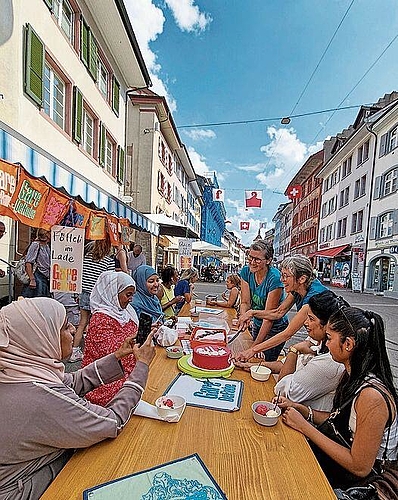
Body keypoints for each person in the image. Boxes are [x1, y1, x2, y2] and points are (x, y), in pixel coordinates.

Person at [0, 297, 155, 499]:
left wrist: (118, 355)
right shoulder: (41, 397)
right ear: (39, 337)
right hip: (22, 489)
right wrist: (141, 366)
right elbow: (112, 421)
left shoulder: (18, 371)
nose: (74, 330)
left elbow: (71, 382)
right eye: (64, 327)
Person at [281, 307, 398, 491]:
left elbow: (360, 466)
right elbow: (339, 419)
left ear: (348, 344)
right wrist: (304, 411)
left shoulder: (371, 396)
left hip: (365, 485)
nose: (325, 345)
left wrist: (304, 426)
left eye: (329, 338)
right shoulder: (351, 375)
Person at [237, 291, 346, 411]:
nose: (305, 323)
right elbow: (283, 364)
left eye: (311, 319)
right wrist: (252, 366)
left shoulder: (329, 363)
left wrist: (293, 350)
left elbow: (282, 391)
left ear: (328, 325)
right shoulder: (315, 340)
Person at [235, 254, 328, 362]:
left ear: (302, 278)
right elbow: (278, 312)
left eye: (285, 276)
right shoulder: (299, 287)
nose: (281, 279)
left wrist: (253, 350)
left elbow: (287, 334)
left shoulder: (312, 298)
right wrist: (251, 313)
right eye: (281, 275)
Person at [82, 271, 139, 406]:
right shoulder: (100, 320)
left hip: (127, 370)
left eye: (132, 295)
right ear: (112, 293)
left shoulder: (125, 312)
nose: (131, 299)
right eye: (128, 295)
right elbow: (113, 357)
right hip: (106, 380)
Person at [237, 241, 288, 361]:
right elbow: (245, 302)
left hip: (275, 327)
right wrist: (244, 317)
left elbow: (269, 317)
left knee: (263, 362)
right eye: (250, 257)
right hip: (258, 322)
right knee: (253, 357)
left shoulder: (275, 278)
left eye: (257, 259)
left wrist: (255, 347)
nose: (252, 262)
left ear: (268, 260)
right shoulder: (246, 271)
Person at [71, 237, 115, 362]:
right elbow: (108, 281)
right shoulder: (108, 261)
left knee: (82, 323)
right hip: (98, 296)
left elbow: (80, 276)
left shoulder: (86, 258)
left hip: (84, 293)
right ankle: (92, 351)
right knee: (95, 324)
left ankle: (74, 351)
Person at [22, 228, 51, 298]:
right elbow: (28, 263)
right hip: (37, 277)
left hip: (45, 277)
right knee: (36, 301)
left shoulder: (46, 246)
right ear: (46, 235)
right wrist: (32, 279)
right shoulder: (35, 245)